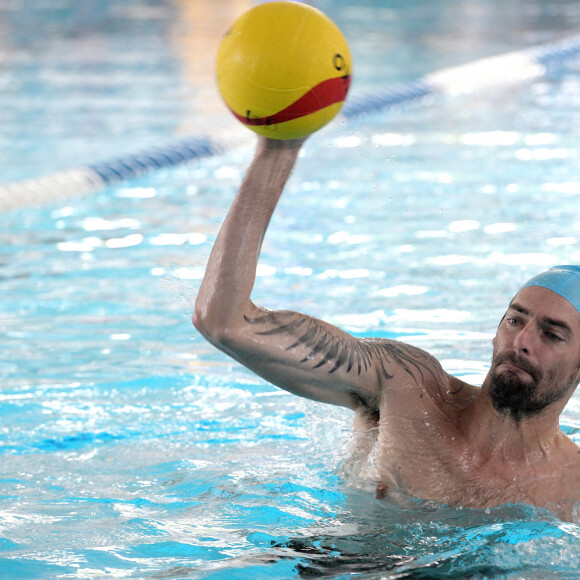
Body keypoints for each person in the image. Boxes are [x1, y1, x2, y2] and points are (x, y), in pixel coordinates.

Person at [193, 136, 580, 522]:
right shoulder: (406, 385)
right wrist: (278, 150)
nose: (522, 342)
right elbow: (225, 321)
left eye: (552, 334)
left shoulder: (573, 488)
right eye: (515, 320)